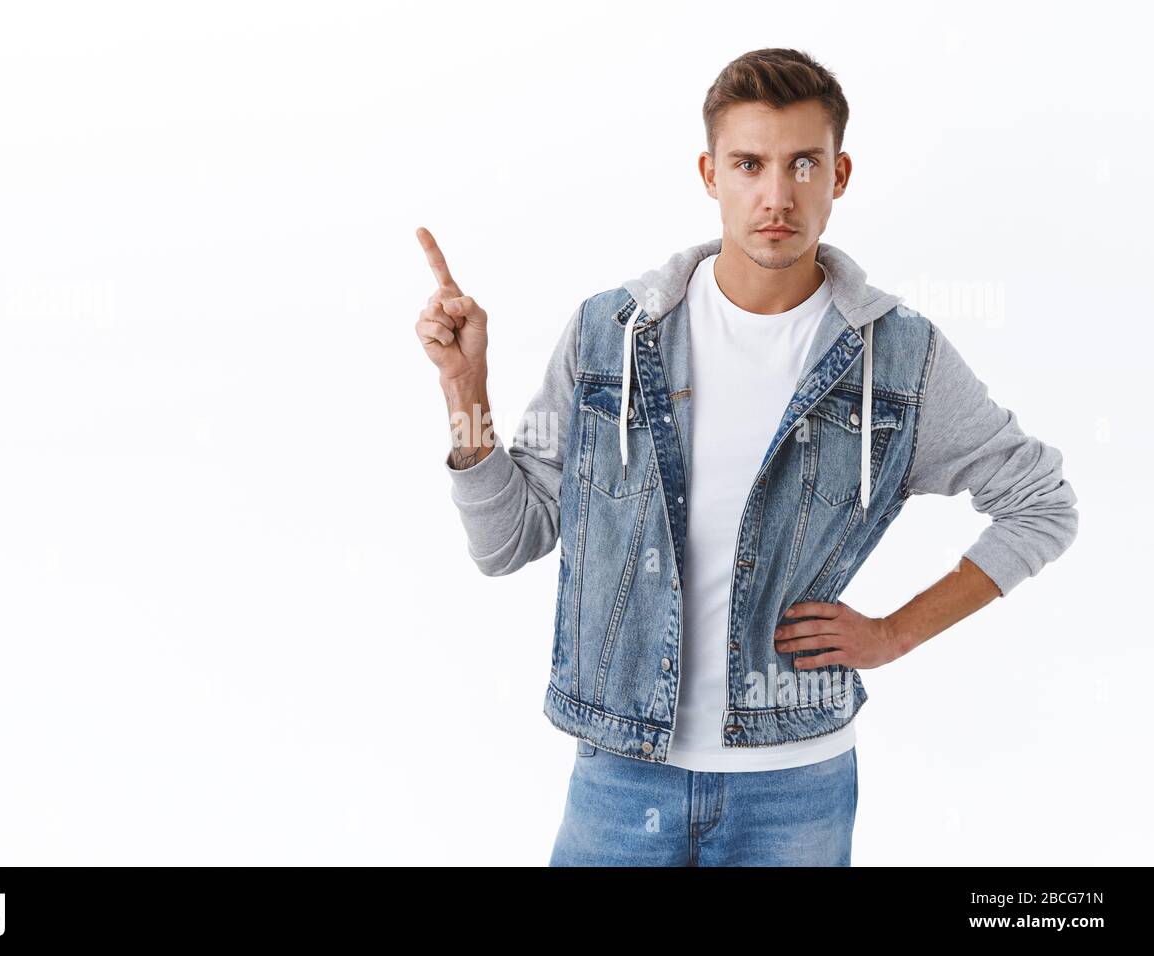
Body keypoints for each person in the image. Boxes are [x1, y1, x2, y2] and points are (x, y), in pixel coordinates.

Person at [413, 48, 1078, 866]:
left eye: (802, 164)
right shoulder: (611, 336)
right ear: (709, 172)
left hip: (793, 790)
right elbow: (504, 543)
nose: (777, 195)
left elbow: (1042, 503)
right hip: (620, 778)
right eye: (749, 164)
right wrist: (464, 386)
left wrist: (894, 635)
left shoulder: (898, 359)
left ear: (839, 173)